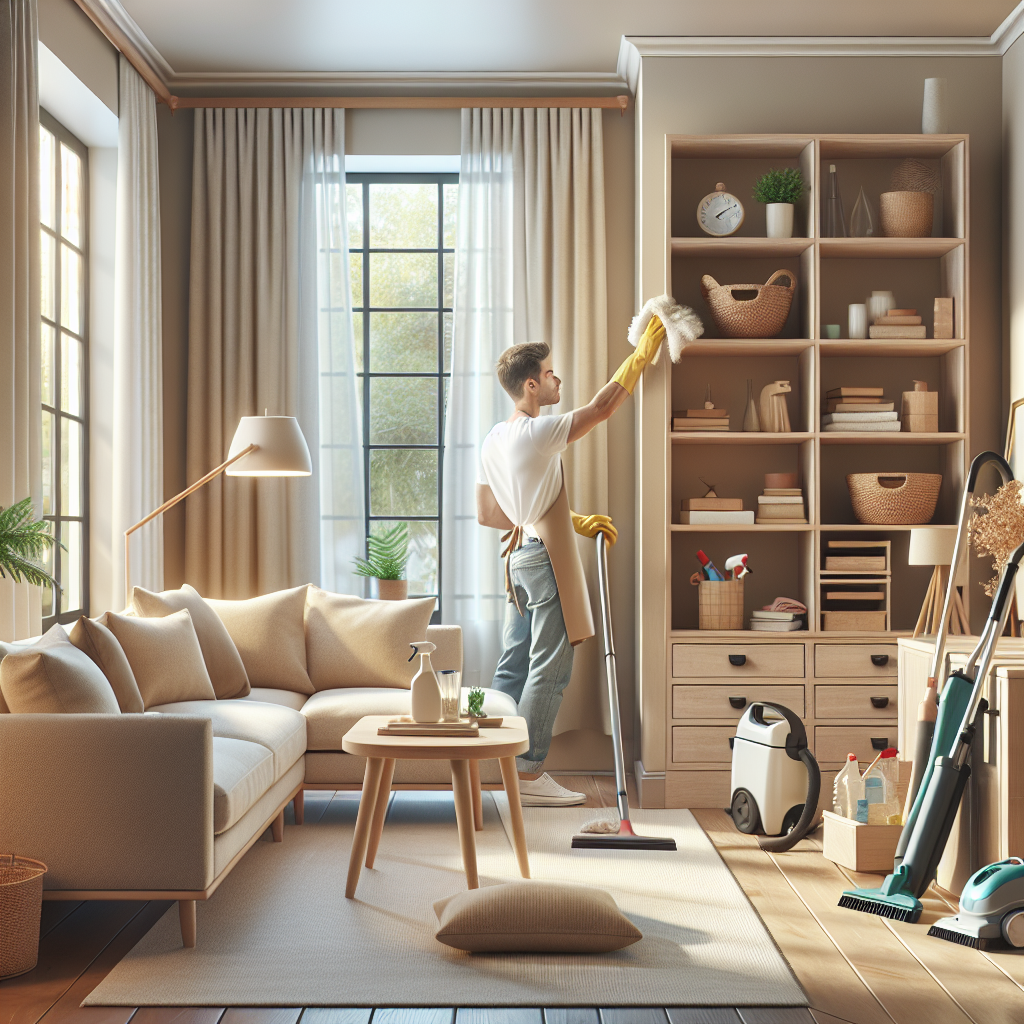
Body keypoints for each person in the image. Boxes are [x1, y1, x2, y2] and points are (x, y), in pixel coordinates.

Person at [475, 318, 666, 805]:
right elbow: (601, 408)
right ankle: (530, 775)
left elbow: (490, 513)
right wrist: (641, 355)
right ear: (532, 385)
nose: (559, 381)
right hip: (542, 560)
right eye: (552, 374)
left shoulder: (494, 439)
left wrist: (567, 517)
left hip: (517, 558)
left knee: (513, 664)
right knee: (552, 666)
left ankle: (498, 766)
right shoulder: (536, 432)